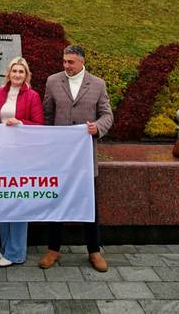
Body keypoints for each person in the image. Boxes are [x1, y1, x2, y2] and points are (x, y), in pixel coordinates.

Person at [39, 45, 113, 272]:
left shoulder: (98, 84)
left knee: (89, 203)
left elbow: (107, 115)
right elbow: (47, 115)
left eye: (71, 62)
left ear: (82, 62)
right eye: (64, 61)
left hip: (84, 156)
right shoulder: (53, 81)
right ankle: (53, 249)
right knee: (56, 201)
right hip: (59, 156)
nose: (66, 66)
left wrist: (97, 127)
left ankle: (94, 250)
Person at [0, 56, 44, 267]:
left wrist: (21, 123)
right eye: (14, 71)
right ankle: (6, 248)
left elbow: (39, 124)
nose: (17, 75)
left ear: (26, 75)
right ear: (9, 73)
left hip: (22, 154)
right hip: (2, 152)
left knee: (18, 200)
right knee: (4, 199)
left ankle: (16, 253)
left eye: (21, 72)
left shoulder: (32, 96)